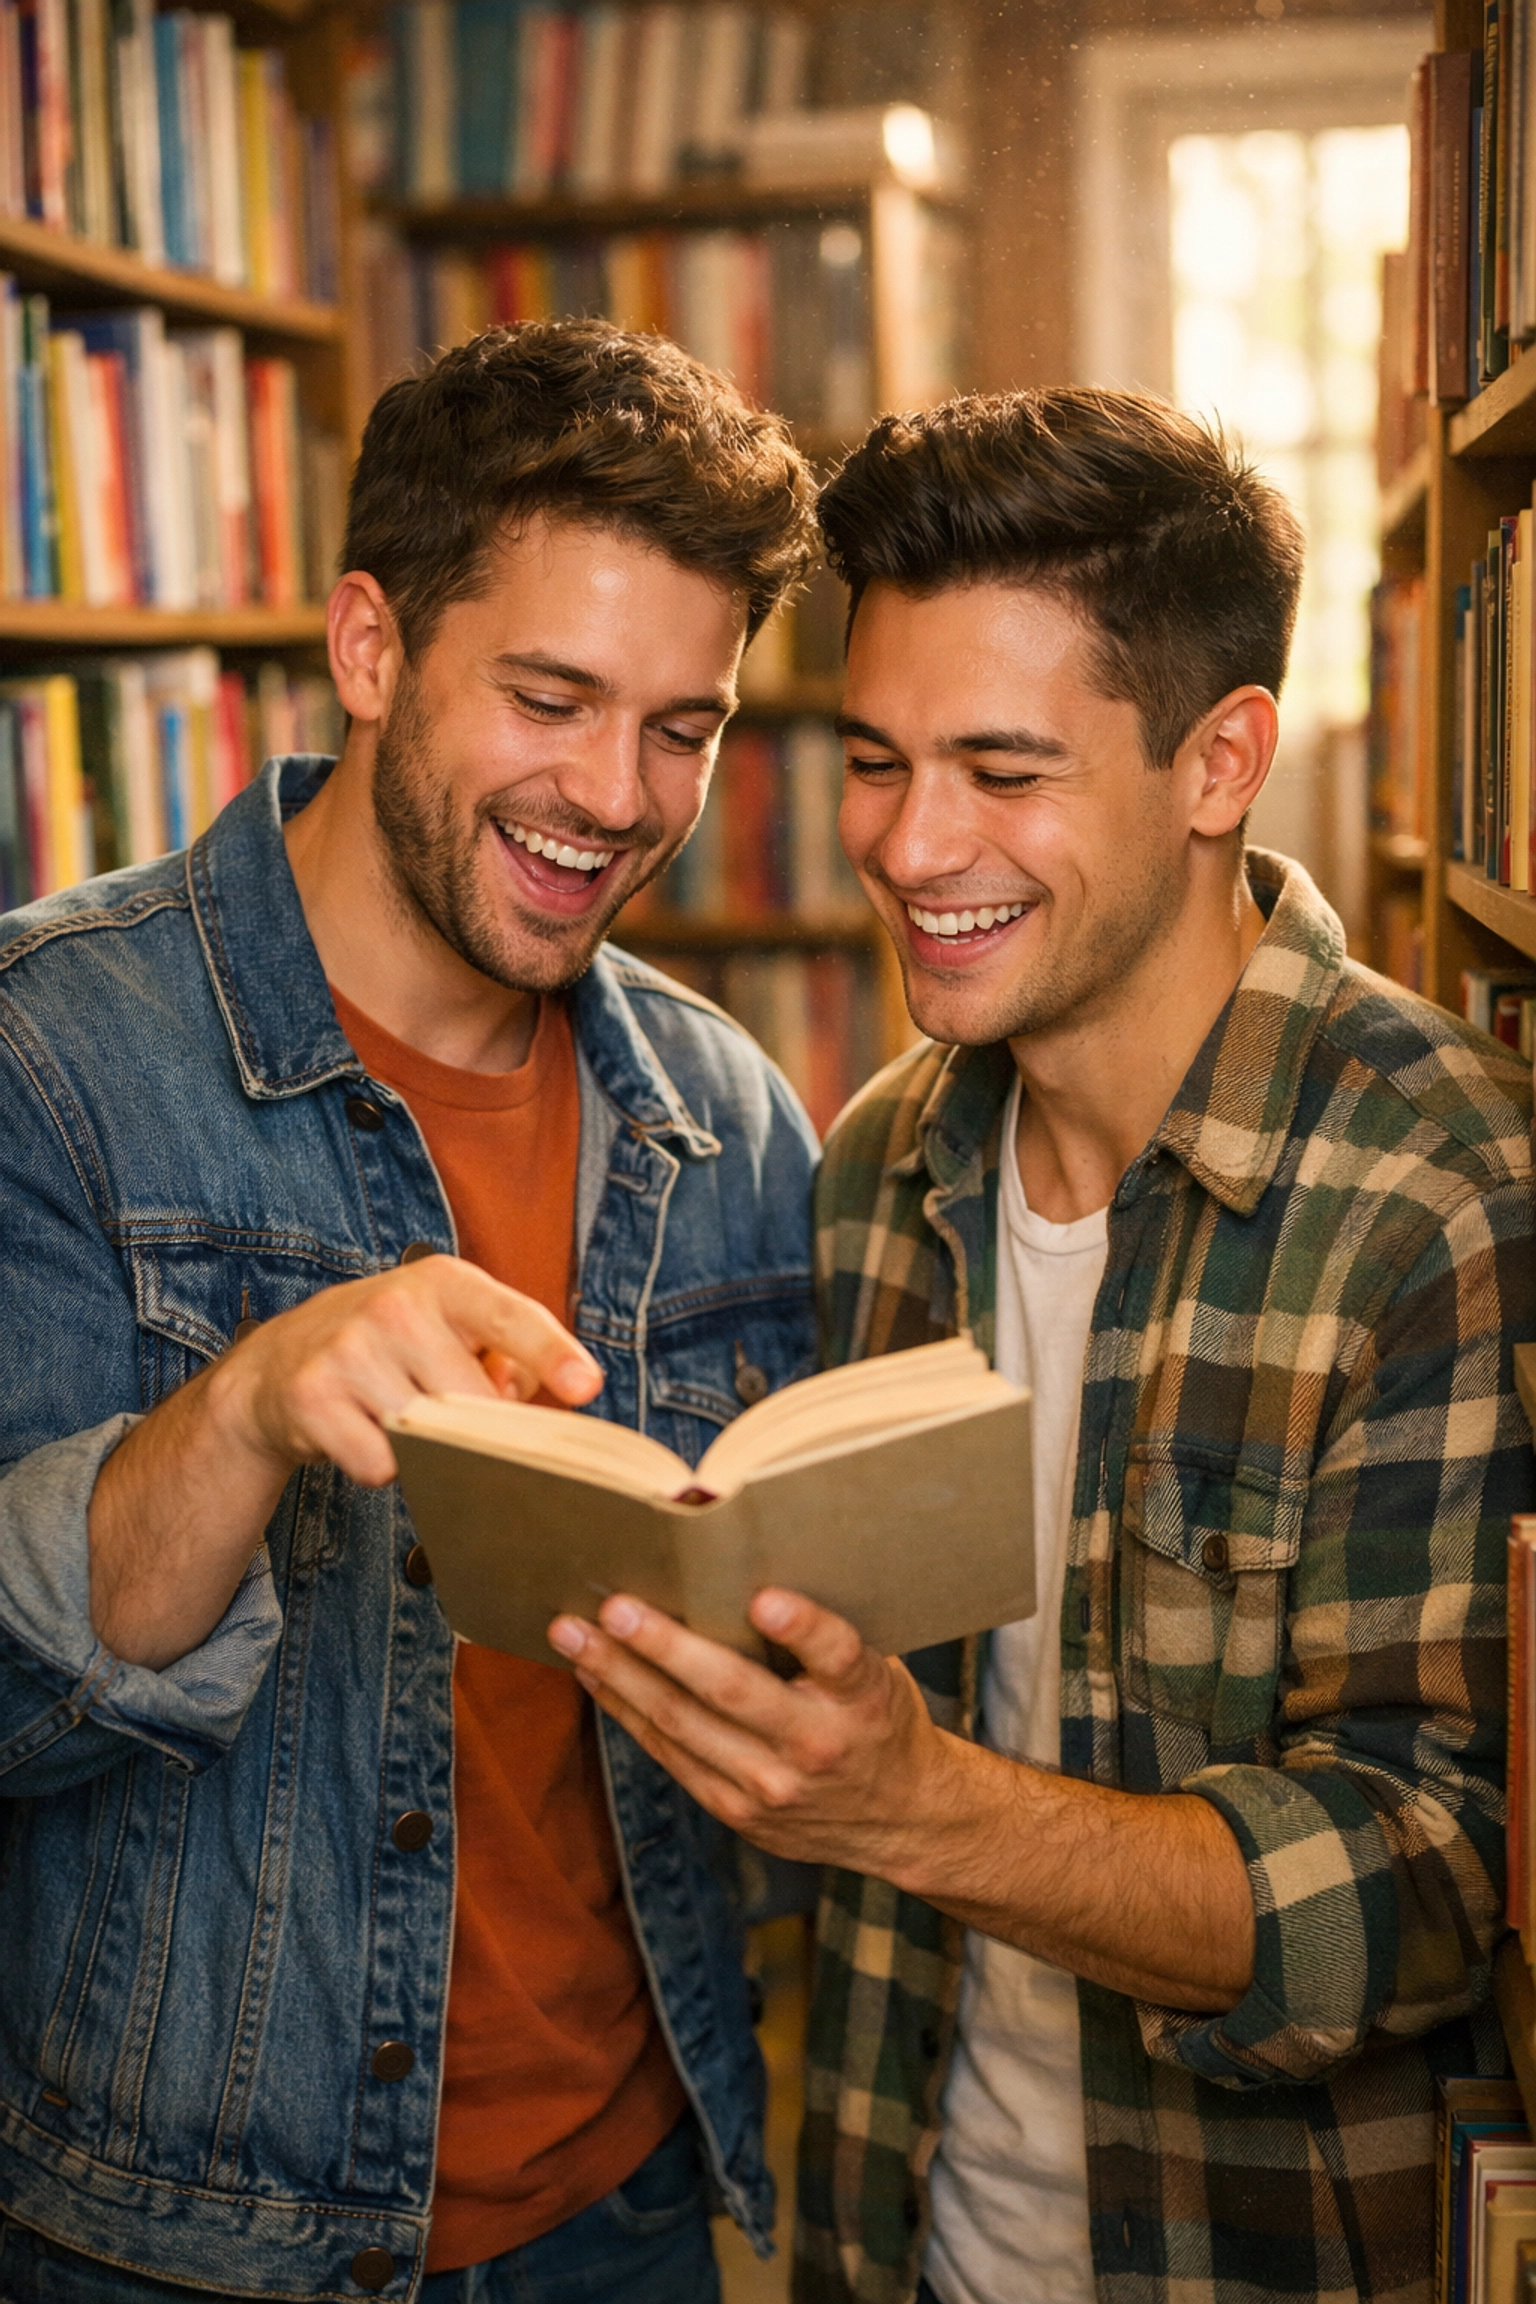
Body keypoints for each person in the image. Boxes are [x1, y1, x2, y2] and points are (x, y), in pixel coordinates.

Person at [554, 388, 1536, 2304]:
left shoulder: (1438, 1196)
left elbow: (1430, 1891)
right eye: (876, 759)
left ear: (1219, 761)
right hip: (898, 2230)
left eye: (1004, 771)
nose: (915, 847)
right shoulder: (873, 1169)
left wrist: (916, 1805)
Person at [0, 319, 821, 2303]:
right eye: (550, 697)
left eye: (682, 728)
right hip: (173, 2244)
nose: (615, 797)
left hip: (632, 2203)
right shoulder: (52, 1053)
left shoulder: (723, 1114)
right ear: (371, 650)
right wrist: (252, 1401)